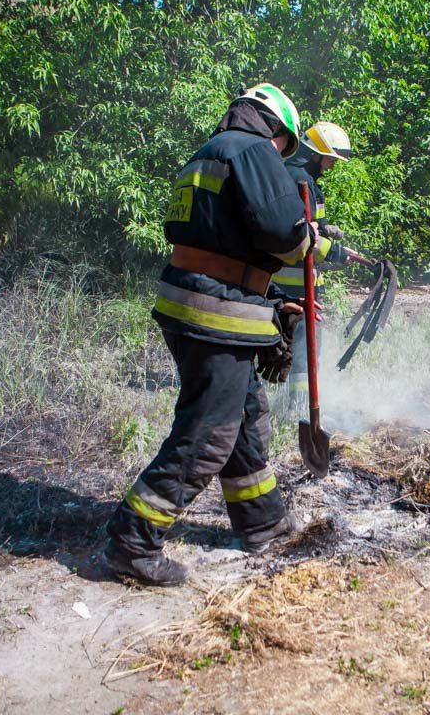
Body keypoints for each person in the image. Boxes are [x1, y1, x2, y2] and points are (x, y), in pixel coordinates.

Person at [104, 83, 316, 586]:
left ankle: (262, 521)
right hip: (215, 313)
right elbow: (283, 231)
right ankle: (132, 541)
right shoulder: (253, 150)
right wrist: (309, 237)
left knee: (241, 415)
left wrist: (263, 300)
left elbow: (216, 240)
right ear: (278, 129)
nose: (283, 151)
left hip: (198, 304)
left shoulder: (206, 153)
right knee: (207, 433)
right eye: (286, 143)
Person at [268, 121, 361, 407]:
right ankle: (300, 410)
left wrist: (324, 227)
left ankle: (296, 404)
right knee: (304, 347)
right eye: (331, 159)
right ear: (316, 154)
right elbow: (300, 237)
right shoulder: (301, 181)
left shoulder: (296, 176)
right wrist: (337, 253)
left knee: (300, 345)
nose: (332, 166)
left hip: (293, 283)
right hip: (295, 284)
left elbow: (309, 225)